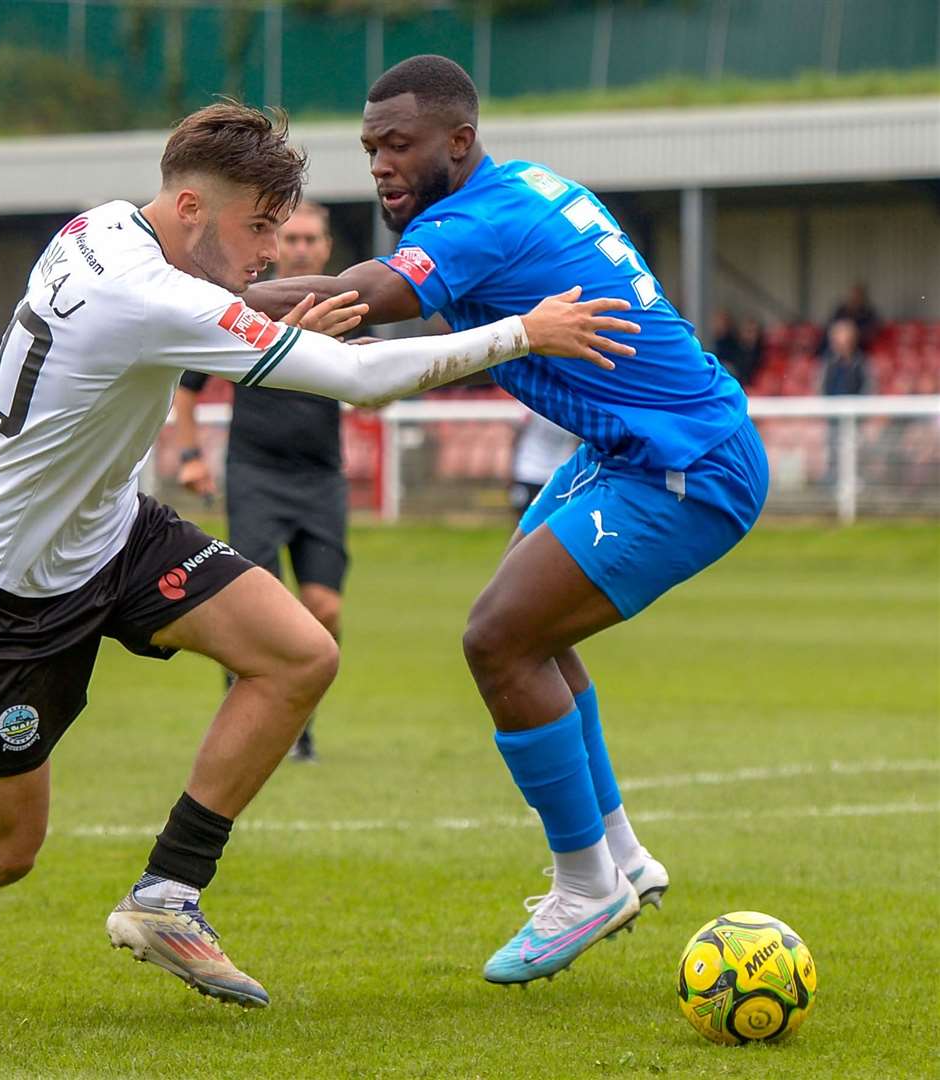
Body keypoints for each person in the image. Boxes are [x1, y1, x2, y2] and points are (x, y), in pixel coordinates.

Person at [0, 101, 636, 1010]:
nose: (269, 254)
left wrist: (280, 323)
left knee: (300, 653)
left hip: (115, 531)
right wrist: (525, 330)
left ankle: (168, 894)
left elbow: (215, 314)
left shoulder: (101, 228)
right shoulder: (151, 295)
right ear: (195, 209)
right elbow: (365, 382)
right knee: (4, 850)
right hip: (5, 582)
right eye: (259, 230)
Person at [246, 55, 769, 987]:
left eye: (399, 145)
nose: (380, 166)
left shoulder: (480, 223)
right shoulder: (516, 188)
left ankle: (585, 885)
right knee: (531, 629)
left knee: (499, 641)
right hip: (637, 450)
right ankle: (620, 857)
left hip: (684, 467)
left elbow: (353, 306)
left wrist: (174, 304)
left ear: (459, 141)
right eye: (370, 149)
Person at [172, 201, 345, 763]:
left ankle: (301, 722)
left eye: (309, 239)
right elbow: (188, 386)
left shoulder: (347, 309)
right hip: (255, 476)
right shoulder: (245, 310)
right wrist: (191, 456)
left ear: (326, 248)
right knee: (255, 610)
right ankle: (248, 727)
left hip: (321, 479)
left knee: (325, 608)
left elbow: (376, 380)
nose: (298, 248)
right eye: (289, 237)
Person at [508, 412, 579, 515]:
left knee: (550, 525)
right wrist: (510, 470)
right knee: (523, 523)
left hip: (555, 477)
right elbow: (515, 437)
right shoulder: (531, 403)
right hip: (528, 474)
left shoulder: (574, 411)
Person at [818, 318, 870, 396]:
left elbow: (869, 390)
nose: (841, 344)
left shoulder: (863, 364)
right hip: (829, 406)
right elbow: (819, 390)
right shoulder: (826, 364)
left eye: (846, 339)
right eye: (836, 339)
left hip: (858, 406)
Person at [827, 283, 880, 352]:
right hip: (838, 341)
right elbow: (831, 325)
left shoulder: (868, 312)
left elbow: (872, 331)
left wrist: (853, 334)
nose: (855, 297)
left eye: (858, 295)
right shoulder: (841, 310)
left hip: (860, 344)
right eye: (853, 294)